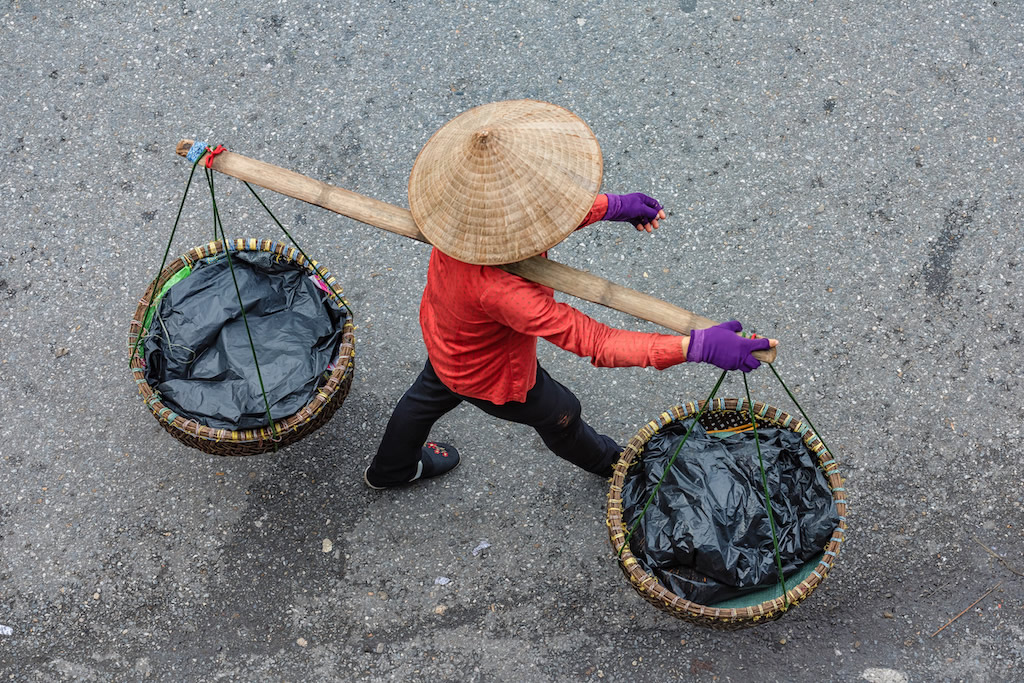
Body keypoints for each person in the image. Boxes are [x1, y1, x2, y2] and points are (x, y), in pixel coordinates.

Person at [364, 100, 776, 489]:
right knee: (562, 414)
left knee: (428, 393)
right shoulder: (505, 294)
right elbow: (596, 341)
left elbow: (541, 215)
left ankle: (392, 468)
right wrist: (695, 346)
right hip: (487, 371)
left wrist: (612, 206)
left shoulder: (458, 221)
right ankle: (615, 466)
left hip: (446, 337)